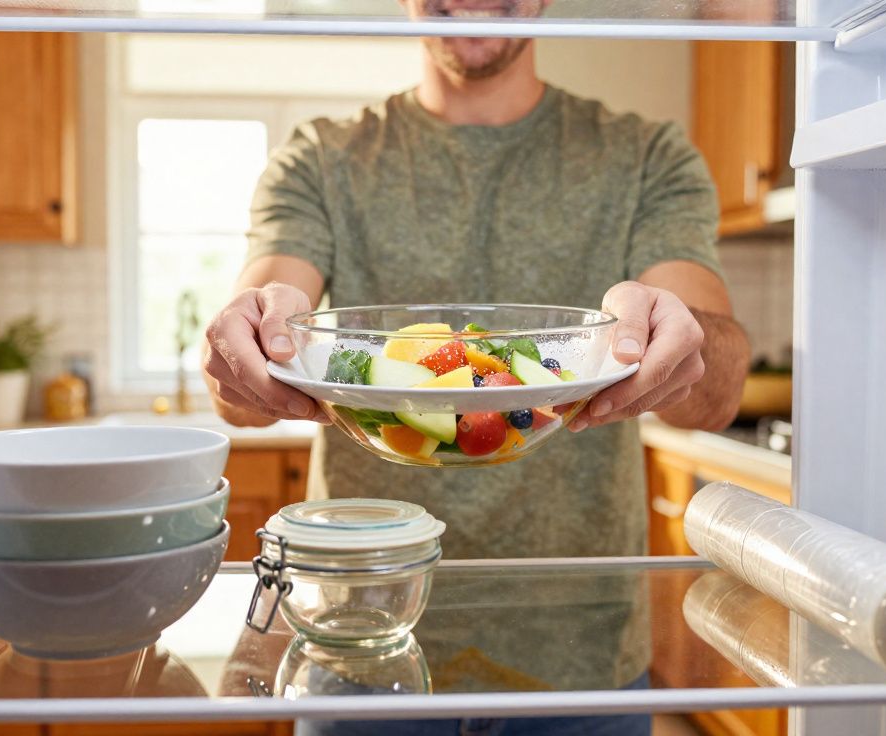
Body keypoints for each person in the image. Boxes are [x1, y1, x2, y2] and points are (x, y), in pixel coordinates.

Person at [204, 0, 751, 732]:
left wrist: (678, 339)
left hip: (580, 663)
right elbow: (247, 370)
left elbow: (713, 395)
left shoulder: (646, 155)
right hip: (360, 646)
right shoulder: (322, 157)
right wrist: (246, 339)